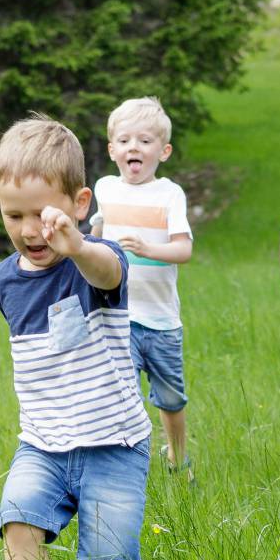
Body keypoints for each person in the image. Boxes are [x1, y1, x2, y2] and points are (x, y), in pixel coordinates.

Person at [0, 116, 152, 560]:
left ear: (79, 204)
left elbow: (107, 270)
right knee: (18, 526)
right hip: (43, 445)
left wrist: (77, 245)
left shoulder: (95, 262)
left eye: (44, 215)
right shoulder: (4, 282)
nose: (32, 230)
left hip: (112, 445)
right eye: (15, 216)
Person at [90, 98, 195, 480]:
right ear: (112, 149)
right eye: (125, 140)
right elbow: (96, 235)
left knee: (170, 398)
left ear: (163, 151)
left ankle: (178, 455)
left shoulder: (169, 194)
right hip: (119, 316)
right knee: (124, 395)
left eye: (145, 141)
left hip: (163, 320)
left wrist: (150, 249)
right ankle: (127, 464)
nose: (134, 147)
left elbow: (184, 249)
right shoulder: (105, 189)